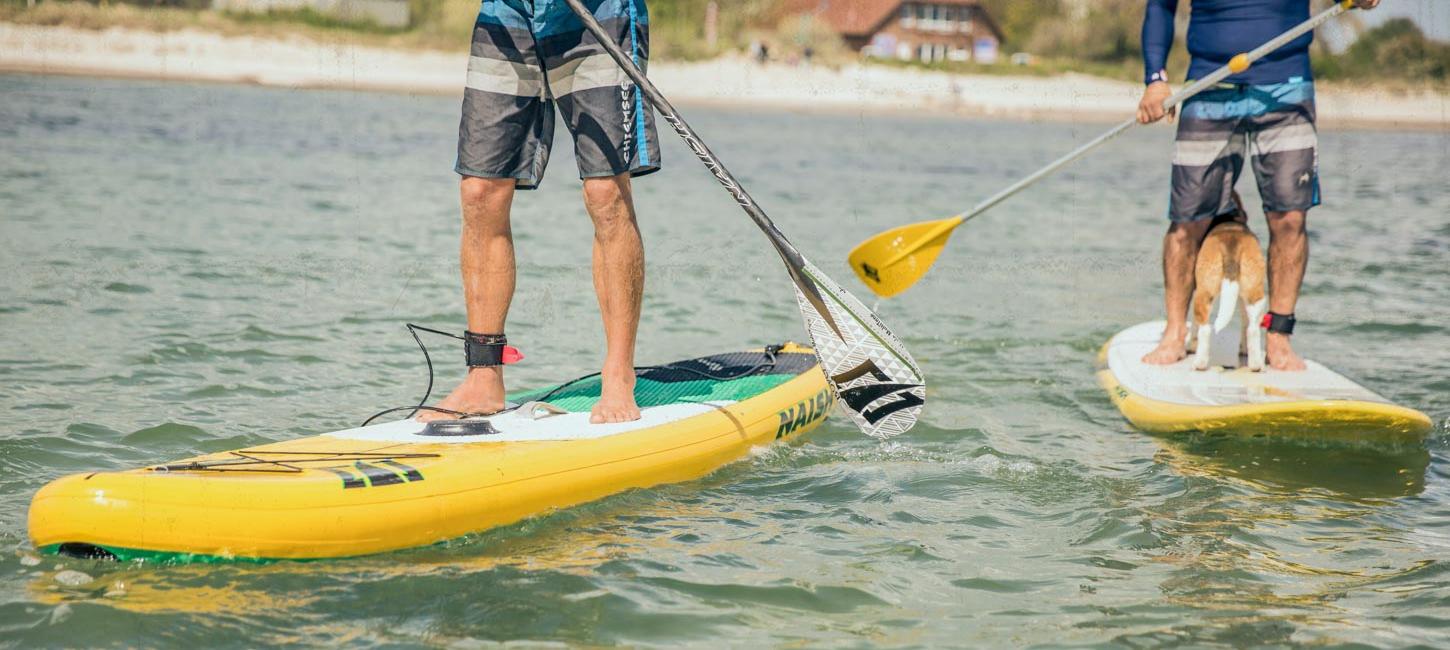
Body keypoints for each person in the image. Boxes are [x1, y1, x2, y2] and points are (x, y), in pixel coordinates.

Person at [424, 0, 661, 424]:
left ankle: (618, 372)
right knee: (480, 191)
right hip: (505, 14)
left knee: (606, 192)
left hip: (596, 13)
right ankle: (484, 373)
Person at [1136, 0, 1380, 371]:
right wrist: (1155, 80)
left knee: (1289, 219)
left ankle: (1277, 338)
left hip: (1287, 85)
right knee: (1187, 221)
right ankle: (1174, 333)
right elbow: (1160, 6)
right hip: (1209, 84)